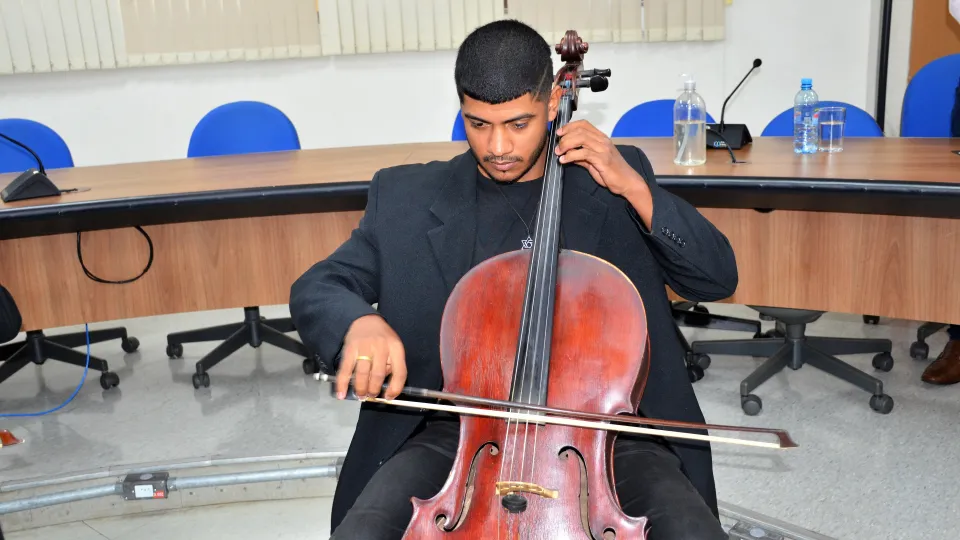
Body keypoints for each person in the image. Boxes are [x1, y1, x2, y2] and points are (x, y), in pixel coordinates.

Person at [290, 20, 738, 540]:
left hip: (609, 436)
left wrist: (634, 188)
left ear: (553, 106)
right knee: (364, 531)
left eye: (519, 124)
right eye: (478, 125)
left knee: (689, 530)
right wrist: (358, 324)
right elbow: (320, 284)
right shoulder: (406, 198)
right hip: (455, 436)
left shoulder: (612, 181)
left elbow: (716, 278)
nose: (498, 145)